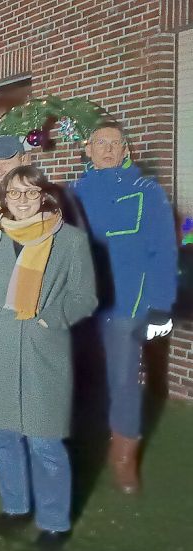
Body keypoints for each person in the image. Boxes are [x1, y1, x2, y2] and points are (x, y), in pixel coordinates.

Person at [0, 165, 97, 549]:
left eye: (30, 192)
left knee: (44, 440)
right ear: (3, 198)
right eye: (14, 193)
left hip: (42, 348)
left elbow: (84, 296)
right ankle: (16, 507)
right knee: (3, 436)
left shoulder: (69, 240)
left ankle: (54, 521)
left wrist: (52, 319)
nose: (22, 200)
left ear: (44, 197)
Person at [70, 121, 178, 494]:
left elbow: (164, 252)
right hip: (81, 307)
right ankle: (83, 445)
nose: (108, 149)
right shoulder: (73, 193)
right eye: (100, 142)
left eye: (116, 144)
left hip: (125, 306)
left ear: (126, 151)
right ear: (88, 150)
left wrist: (161, 307)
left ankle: (123, 457)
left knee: (122, 382)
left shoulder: (146, 192)